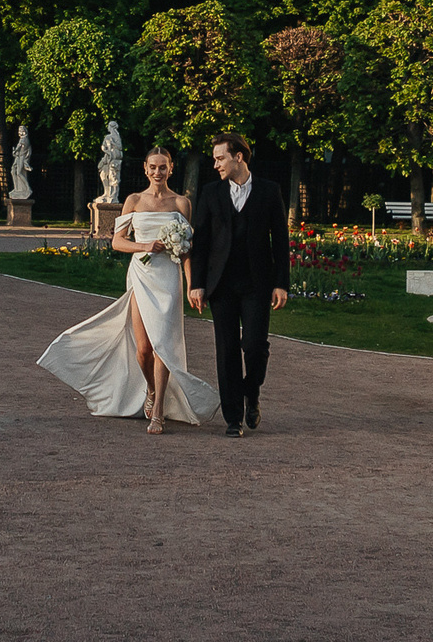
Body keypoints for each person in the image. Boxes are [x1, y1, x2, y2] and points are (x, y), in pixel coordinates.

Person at [36, 146, 222, 434]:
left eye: (163, 167)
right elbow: (117, 242)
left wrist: (191, 286)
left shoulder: (182, 203)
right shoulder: (134, 200)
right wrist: (145, 246)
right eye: (153, 167)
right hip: (141, 275)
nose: (158, 172)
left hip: (169, 278)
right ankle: (150, 388)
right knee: (144, 349)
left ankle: (158, 409)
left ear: (171, 169)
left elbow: (186, 250)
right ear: (145, 169)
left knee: (163, 345)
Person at [187, 133, 289, 439]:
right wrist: (197, 284)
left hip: (258, 284)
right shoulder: (210, 192)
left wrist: (282, 283)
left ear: (238, 157)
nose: (216, 164)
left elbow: (281, 241)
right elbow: (201, 242)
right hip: (221, 285)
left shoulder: (270, 192)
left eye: (220, 158)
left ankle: (251, 392)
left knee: (254, 346)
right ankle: (233, 418)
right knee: (227, 349)